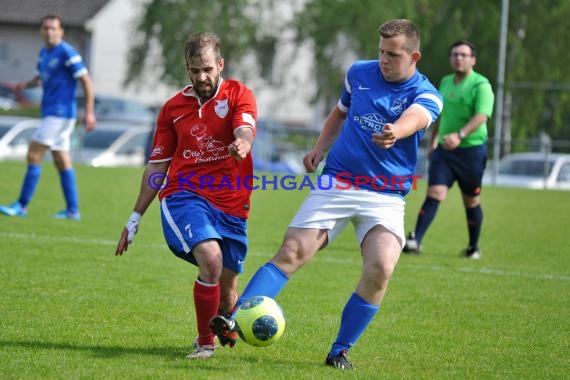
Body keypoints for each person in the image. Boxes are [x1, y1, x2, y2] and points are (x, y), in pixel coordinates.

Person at [209, 19, 443, 370]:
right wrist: (320, 148)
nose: (384, 60)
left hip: (386, 194)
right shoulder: (359, 73)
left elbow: (418, 117)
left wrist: (397, 130)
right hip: (338, 182)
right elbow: (340, 112)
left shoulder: (426, 93)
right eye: (381, 52)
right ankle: (233, 316)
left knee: (381, 268)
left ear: (414, 56)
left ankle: (340, 350)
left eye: (393, 55)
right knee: (293, 250)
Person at [114, 32, 257, 360]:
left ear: (220, 64)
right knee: (211, 259)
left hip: (233, 202)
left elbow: (245, 127)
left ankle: (227, 323)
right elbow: (157, 165)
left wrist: (244, 143)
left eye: (207, 69)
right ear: (187, 69)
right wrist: (135, 218)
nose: (202, 77)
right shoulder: (172, 109)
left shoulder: (239, 95)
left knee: (228, 292)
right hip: (185, 195)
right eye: (195, 70)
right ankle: (204, 342)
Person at [403, 40, 495, 259]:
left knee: (471, 201)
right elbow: (439, 115)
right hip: (445, 151)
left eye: (464, 55)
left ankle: (473, 247)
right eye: (455, 54)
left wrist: (460, 135)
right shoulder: (445, 82)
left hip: (471, 152)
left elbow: (482, 115)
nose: (458, 58)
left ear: (473, 59)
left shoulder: (481, 85)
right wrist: (434, 140)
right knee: (434, 193)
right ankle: (416, 240)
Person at [0, 14, 96, 220]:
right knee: (61, 160)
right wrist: (24, 85)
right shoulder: (44, 52)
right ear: (41, 31)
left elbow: (86, 80)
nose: (50, 31)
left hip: (59, 114)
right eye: (46, 28)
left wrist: (89, 112)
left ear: (61, 31)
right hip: (53, 113)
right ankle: (72, 211)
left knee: (33, 155)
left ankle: (21, 205)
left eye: (54, 28)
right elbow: (40, 78)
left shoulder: (67, 52)